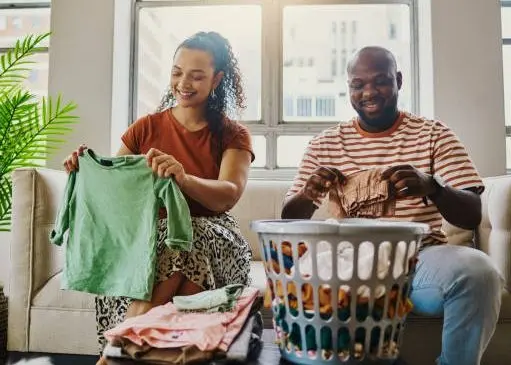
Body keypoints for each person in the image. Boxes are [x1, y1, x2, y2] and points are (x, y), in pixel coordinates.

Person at [282, 46, 503, 365]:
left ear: (398, 80)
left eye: (381, 81)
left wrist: (432, 186)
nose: (369, 92)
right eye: (358, 84)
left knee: (479, 273)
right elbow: (288, 218)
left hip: (419, 260)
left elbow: (471, 214)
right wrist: (308, 194)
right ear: (348, 88)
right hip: (348, 263)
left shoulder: (432, 134)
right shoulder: (326, 144)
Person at [62, 31, 254, 365]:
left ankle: (113, 357)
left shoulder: (231, 134)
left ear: (217, 80)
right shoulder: (145, 128)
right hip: (153, 241)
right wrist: (85, 168)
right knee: (174, 258)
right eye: (177, 72)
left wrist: (183, 178)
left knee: (183, 242)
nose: (184, 83)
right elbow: (117, 187)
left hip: (216, 237)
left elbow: (228, 196)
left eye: (197, 76)